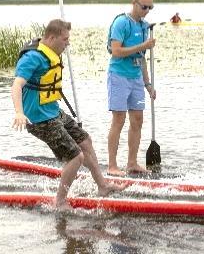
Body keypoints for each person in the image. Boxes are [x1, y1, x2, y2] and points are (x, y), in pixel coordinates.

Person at [11, 19, 125, 209]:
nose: (68, 43)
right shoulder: (32, 58)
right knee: (75, 157)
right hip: (39, 118)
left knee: (85, 141)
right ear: (52, 37)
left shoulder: (52, 53)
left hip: (52, 110)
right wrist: (18, 112)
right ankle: (60, 201)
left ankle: (103, 186)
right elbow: (16, 85)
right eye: (65, 40)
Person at [106, 0, 156, 176]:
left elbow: (142, 57)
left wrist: (148, 84)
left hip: (136, 78)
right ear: (134, 3)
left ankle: (132, 163)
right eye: (144, 7)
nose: (147, 10)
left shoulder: (144, 26)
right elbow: (116, 51)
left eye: (150, 7)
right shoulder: (121, 23)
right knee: (118, 120)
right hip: (118, 76)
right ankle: (112, 165)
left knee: (138, 120)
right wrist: (143, 46)